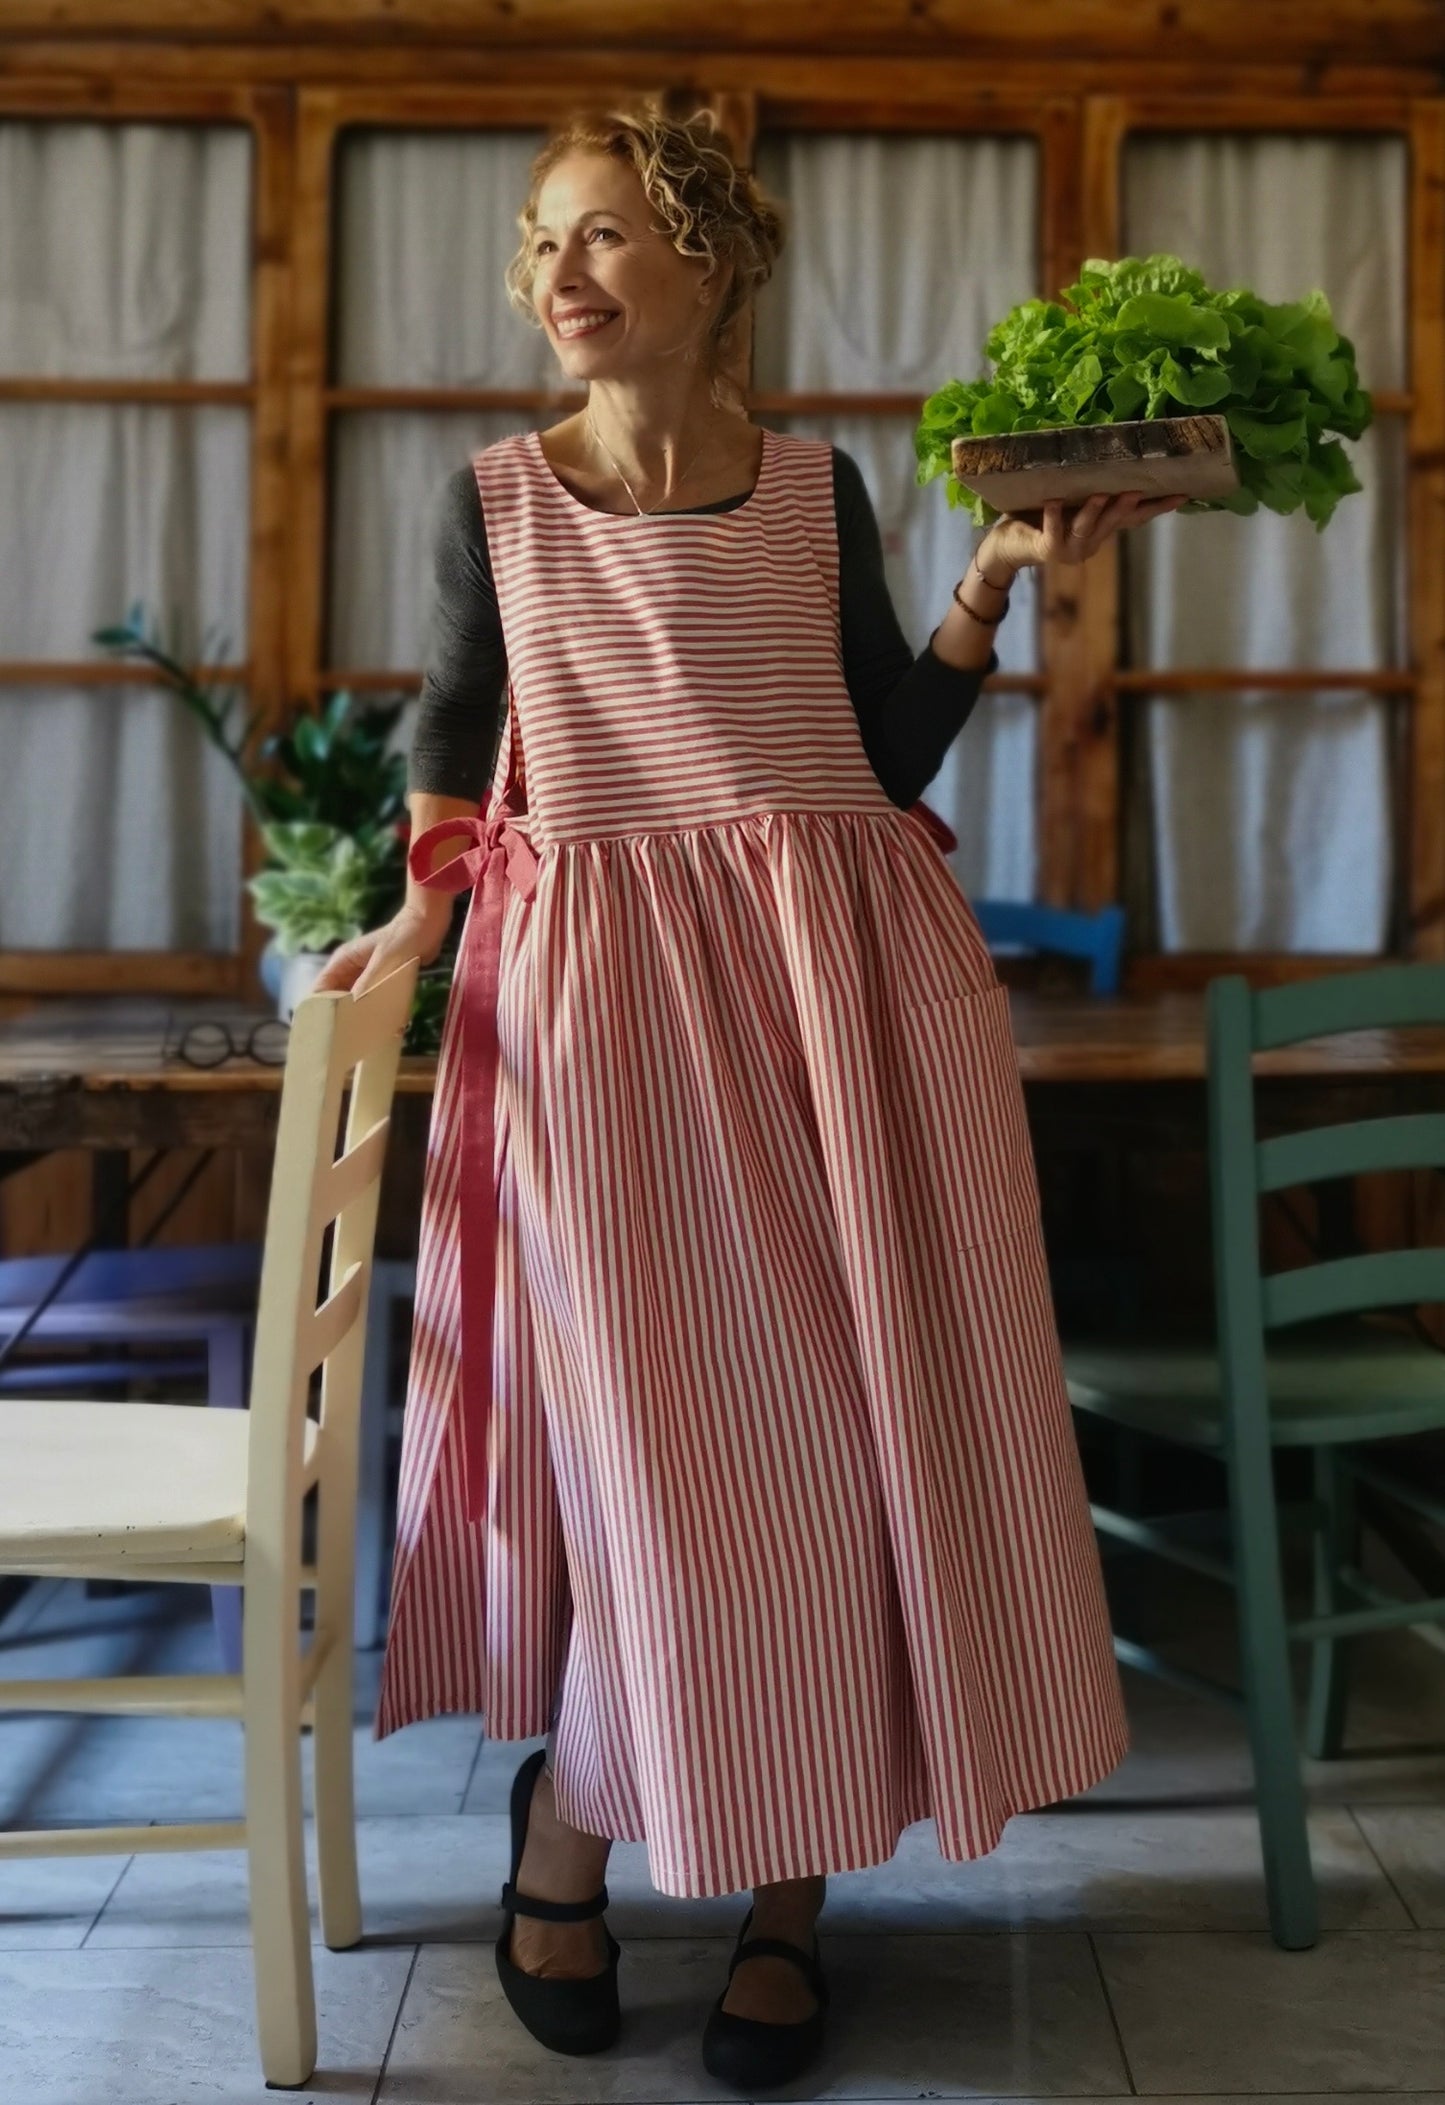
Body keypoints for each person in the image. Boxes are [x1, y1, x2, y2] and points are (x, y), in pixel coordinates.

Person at [315, 100, 1185, 2094]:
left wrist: (994, 584)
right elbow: (457, 751)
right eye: (543, 242)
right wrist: (411, 918)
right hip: (605, 1024)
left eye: (608, 234)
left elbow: (880, 759)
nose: (563, 273)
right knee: (660, 1476)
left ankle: (789, 1897)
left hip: (840, 1011)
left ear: (713, 266)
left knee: (847, 1451)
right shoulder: (500, 506)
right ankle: (573, 1828)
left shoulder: (817, 495)